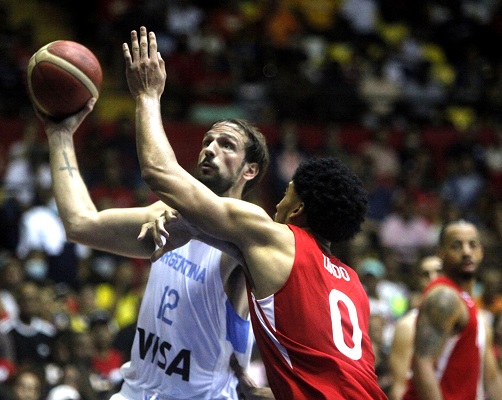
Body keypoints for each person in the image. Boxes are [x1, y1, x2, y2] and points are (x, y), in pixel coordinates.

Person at [122, 26, 387, 399]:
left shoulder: (278, 239)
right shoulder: (352, 284)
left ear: (298, 207)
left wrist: (147, 95)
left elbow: (160, 174)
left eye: (286, 192)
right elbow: (333, 375)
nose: (277, 201)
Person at [33, 46, 271, 400]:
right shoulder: (168, 214)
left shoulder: (249, 233)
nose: (209, 149)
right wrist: (60, 134)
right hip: (134, 392)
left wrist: (147, 95)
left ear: (249, 170)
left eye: (226, 145)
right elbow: (80, 223)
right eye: (207, 141)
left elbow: (160, 173)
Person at [403, 220, 502, 400]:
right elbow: (422, 364)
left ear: (481, 252)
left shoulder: (472, 306)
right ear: (441, 254)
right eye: (456, 245)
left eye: (472, 245)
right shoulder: (444, 297)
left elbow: (491, 376)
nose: (467, 251)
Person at [388, 255, 442, 400]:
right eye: (426, 274)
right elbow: (399, 388)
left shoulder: (474, 320)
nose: (433, 278)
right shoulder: (407, 327)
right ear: (418, 281)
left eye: (439, 271)